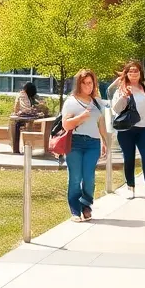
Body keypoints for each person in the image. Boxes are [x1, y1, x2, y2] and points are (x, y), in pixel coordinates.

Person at [59, 69, 110, 221]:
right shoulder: (71, 101)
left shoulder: (97, 102)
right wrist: (82, 117)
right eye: (84, 83)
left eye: (90, 83)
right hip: (75, 143)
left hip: (93, 144)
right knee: (75, 177)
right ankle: (75, 210)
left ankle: (86, 205)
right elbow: (66, 125)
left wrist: (105, 141)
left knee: (89, 177)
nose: (88, 86)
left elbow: (101, 123)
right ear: (78, 84)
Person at [110, 60, 145, 199]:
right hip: (126, 130)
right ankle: (130, 186)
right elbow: (116, 109)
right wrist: (124, 97)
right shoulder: (121, 89)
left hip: (144, 129)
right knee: (129, 158)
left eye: (136, 71)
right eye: (130, 71)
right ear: (126, 74)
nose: (133, 73)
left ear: (141, 73)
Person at [8, 82, 47, 154]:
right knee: (19, 126)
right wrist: (34, 109)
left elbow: (42, 103)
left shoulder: (31, 96)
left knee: (31, 125)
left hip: (26, 119)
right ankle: (17, 148)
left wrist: (40, 105)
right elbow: (25, 109)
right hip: (17, 119)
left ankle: (30, 145)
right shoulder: (23, 95)